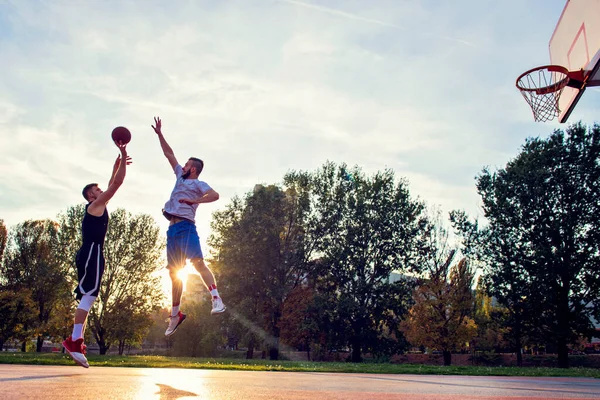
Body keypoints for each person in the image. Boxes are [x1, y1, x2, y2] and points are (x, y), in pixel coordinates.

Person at [151, 116, 225, 337]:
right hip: (172, 231)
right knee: (175, 274)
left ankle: (216, 298)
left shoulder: (198, 184)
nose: (182, 166)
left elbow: (215, 195)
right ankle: (175, 315)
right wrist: (160, 135)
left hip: (186, 227)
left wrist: (194, 201)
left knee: (198, 263)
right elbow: (169, 154)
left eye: (186, 165)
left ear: (193, 169)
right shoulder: (179, 177)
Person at [62, 141, 130, 368]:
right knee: (89, 296)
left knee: (88, 297)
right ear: (91, 195)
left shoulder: (97, 206)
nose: (102, 191)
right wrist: (123, 153)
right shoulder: (94, 206)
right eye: (98, 190)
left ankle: (75, 340)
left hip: (92, 252)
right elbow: (118, 184)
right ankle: (74, 340)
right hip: (92, 252)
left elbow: (112, 183)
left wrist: (116, 165)